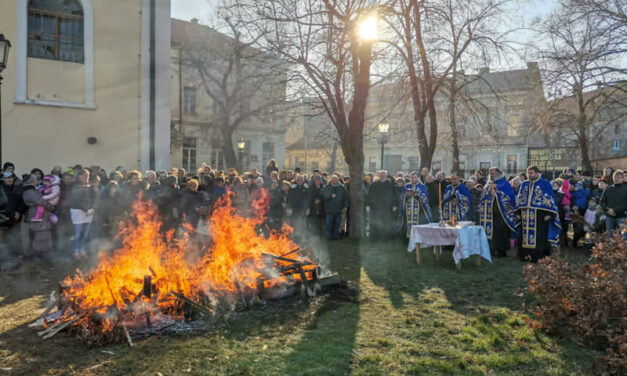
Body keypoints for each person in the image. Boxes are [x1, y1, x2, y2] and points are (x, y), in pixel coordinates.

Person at [514, 166, 561, 262]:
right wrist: (518, 212)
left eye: (531, 173)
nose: (529, 175)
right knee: (524, 235)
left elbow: (550, 199)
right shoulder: (524, 184)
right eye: (528, 173)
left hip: (540, 215)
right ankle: (524, 255)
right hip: (525, 214)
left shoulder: (545, 184)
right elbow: (520, 199)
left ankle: (538, 256)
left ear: (537, 173)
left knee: (539, 236)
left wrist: (549, 214)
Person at [479, 168, 520, 258]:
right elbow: (484, 197)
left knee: (501, 233)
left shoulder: (504, 183)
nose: (491, 175)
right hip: (490, 213)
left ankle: (502, 251)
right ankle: (492, 250)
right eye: (490, 173)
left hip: (502, 214)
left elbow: (509, 196)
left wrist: (497, 194)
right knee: (492, 233)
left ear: (498, 174)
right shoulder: (488, 184)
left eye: (493, 173)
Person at [21, 174, 56, 260]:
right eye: (36, 179)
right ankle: (39, 254)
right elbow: (40, 201)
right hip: (37, 215)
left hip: (40, 214)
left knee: (43, 234)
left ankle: (43, 254)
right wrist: (51, 207)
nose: (37, 180)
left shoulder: (31, 190)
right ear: (32, 181)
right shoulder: (30, 192)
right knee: (40, 235)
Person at [69, 169, 96, 260]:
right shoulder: (75, 186)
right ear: (79, 176)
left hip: (89, 212)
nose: (86, 178)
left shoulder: (91, 187)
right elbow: (76, 200)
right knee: (78, 233)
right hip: (78, 212)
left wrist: (93, 208)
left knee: (85, 233)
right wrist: (85, 209)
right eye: (84, 175)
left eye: (87, 176)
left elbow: (95, 199)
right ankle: (76, 251)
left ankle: (82, 250)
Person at [366, 170, 398, 239]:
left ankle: (386, 238)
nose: (382, 176)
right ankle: (375, 238)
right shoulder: (373, 184)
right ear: (379, 175)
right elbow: (369, 195)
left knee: (387, 223)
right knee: (376, 222)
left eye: (384, 175)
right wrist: (368, 205)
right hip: (376, 208)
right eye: (381, 175)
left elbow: (395, 195)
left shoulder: (391, 184)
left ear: (386, 176)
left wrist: (395, 205)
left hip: (387, 208)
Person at [399, 172, 431, 238]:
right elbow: (401, 197)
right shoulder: (406, 186)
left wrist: (417, 195)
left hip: (419, 210)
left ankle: (417, 238)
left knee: (418, 223)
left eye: (414, 177)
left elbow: (425, 198)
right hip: (408, 210)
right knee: (407, 223)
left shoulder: (422, 186)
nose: (413, 179)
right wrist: (407, 195)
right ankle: (407, 239)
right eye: (412, 177)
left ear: (417, 178)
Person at [321, 175, 348, 240]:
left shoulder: (342, 187)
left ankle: (336, 236)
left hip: (339, 209)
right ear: (331, 180)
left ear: (338, 180)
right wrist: (330, 196)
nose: (334, 181)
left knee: (337, 225)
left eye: (336, 180)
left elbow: (346, 197)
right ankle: (328, 236)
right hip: (329, 209)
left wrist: (345, 205)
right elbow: (322, 195)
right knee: (329, 225)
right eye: (333, 180)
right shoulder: (326, 187)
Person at [600, 170, 626, 238]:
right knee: (609, 236)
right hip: (609, 217)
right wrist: (608, 210)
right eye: (615, 177)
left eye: (618, 177)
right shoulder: (608, 189)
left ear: (622, 178)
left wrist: (614, 210)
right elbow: (602, 202)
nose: (616, 179)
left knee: (623, 237)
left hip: (622, 217)